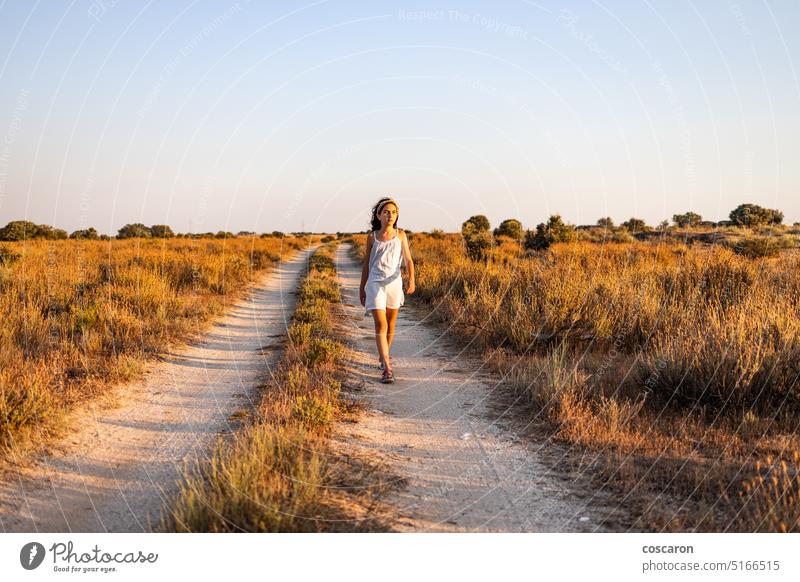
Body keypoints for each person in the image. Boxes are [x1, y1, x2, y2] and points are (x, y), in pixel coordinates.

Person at [359, 197, 415, 383]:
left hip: (394, 283)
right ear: (379, 215)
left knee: (391, 325)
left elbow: (408, 260)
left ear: (397, 215)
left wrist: (411, 280)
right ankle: (387, 367)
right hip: (375, 283)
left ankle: (384, 357)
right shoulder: (372, 237)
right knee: (381, 325)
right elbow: (366, 263)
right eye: (386, 212)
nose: (390, 215)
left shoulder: (401, 235)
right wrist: (362, 287)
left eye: (393, 212)